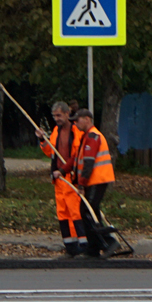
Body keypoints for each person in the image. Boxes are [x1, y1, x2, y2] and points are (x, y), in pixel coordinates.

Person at [37, 101, 87, 256]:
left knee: (75, 212)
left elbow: (77, 156)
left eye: (59, 115)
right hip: (59, 180)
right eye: (54, 116)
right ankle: (70, 247)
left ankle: (83, 246)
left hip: (70, 178)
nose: (56, 118)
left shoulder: (76, 131)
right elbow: (50, 152)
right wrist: (42, 140)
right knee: (62, 213)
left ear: (67, 114)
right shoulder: (56, 132)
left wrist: (63, 170)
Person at [73, 108, 122, 258]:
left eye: (78, 120)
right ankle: (94, 247)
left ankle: (106, 242)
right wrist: (62, 171)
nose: (75, 123)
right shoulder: (86, 137)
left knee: (88, 212)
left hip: (97, 180)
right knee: (90, 212)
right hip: (94, 180)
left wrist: (81, 184)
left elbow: (88, 163)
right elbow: (76, 160)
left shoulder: (93, 137)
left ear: (87, 119)